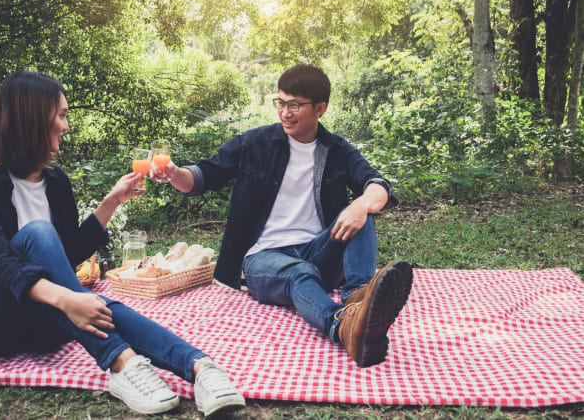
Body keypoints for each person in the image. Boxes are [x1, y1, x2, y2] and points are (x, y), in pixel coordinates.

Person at [0, 71, 245, 415]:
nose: (66, 126)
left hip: (40, 327)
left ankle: (202, 369)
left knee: (95, 302)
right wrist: (68, 298)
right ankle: (123, 364)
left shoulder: (55, 182)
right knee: (44, 239)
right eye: (61, 115)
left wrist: (111, 202)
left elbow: (66, 254)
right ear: (32, 117)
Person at [153, 63, 413, 368]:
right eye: (281, 103)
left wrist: (362, 203)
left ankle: (358, 300)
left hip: (317, 252)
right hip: (264, 258)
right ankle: (341, 324)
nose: (285, 113)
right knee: (298, 273)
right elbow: (202, 177)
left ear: (320, 108)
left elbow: (378, 185)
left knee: (362, 212)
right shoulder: (255, 143)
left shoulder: (337, 150)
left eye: (295, 105)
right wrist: (174, 173)